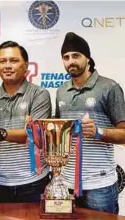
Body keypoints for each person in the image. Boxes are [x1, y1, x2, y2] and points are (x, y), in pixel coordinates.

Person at [0, 41, 52, 203]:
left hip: (33, 183)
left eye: (13, 61)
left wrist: (1, 133)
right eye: (3, 61)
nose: (7, 65)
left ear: (26, 65)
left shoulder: (39, 94)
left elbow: (36, 135)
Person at [56, 32, 125, 214]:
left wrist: (98, 131)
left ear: (88, 58)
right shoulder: (61, 91)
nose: (71, 61)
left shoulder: (109, 87)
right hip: (66, 183)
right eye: (66, 57)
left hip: (100, 185)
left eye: (76, 56)